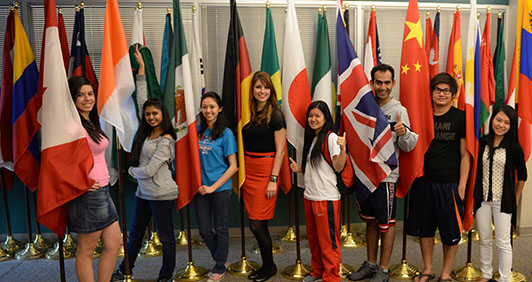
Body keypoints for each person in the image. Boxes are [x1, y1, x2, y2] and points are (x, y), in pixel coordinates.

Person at [112, 49, 178, 282]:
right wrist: (140, 69)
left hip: (162, 194)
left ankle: (166, 276)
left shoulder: (166, 140)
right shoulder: (147, 134)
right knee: (135, 235)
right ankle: (124, 270)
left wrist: (130, 171)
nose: (151, 117)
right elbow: (142, 99)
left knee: (166, 238)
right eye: (148, 114)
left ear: (163, 115)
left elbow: (149, 171)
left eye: (155, 114)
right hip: (143, 194)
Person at [349, 64, 418, 282]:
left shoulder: (399, 110)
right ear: (371, 83)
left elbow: (409, 146)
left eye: (387, 82)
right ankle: (370, 264)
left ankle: (384, 269)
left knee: (385, 224)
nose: (382, 87)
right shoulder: (365, 106)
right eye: (378, 82)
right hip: (365, 176)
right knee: (370, 221)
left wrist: (404, 132)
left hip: (386, 177)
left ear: (393, 84)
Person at [406, 72, 470, 282]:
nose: (441, 94)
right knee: (425, 230)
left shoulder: (460, 117)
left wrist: (461, 186)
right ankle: (428, 269)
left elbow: (464, 155)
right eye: (437, 90)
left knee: (450, 232)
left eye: (446, 91)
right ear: (431, 92)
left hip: (449, 184)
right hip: (422, 182)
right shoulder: (421, 115)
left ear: (453, 94)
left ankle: (445, 273)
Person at [67, 76, 122, 282]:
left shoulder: (90, 121)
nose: (86, 98)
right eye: (80, 95)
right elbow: (59, 161)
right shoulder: (72, 126)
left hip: (103, 189)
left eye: (90, 94)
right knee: (87, 250)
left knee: (114, 243)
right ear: (72, 99)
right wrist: (80, 182)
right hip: (88, 193)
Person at [289, 101, 346, 282]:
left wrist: (343, 148)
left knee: (328, 241)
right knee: (314, 240)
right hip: (310, 196)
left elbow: (338, 166)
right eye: (311, 116)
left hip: (326, 198)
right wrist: (300, 168)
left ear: (325, 118)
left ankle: (331, 276)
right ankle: (317, 271)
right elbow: (320, 167)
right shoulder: (313, 138)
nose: (313, 119)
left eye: (317, 116)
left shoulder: (330, 138)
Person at [474, 105, 527, 282]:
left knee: (503, 242)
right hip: (482, 200)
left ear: (511, 126)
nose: (501, 125)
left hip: (503, 201)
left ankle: (504, 278)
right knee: (484, 239)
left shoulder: (514, 148)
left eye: (506, 122)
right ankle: (486, 274)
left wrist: (516, 198)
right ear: (492, 119)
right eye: (498, 120)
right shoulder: (482, 142)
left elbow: (523, 175)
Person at [242, 71, 286, 282]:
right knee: (259, 223)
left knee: (256, 224)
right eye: (258, 87)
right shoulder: (247, 112)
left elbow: (281, 151)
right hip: (248, 171)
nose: (262, 91)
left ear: (271, 90)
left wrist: (273, 179)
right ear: (252, 90)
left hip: (266, 171)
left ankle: (269, 267)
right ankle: (266, 265)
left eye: (266, 87)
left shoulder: (275, 114)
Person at [194, 92, 238, 282]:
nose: (208, 110)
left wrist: (213, 187)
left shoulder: (226, 133)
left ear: (219, 108)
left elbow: (234, 167)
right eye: (204, 107)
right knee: (204, 230)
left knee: (220, 228)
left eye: (212, 107)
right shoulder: (197, 131)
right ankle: (221, 259)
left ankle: (219, 266)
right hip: (200, 188)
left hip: (220, 188)